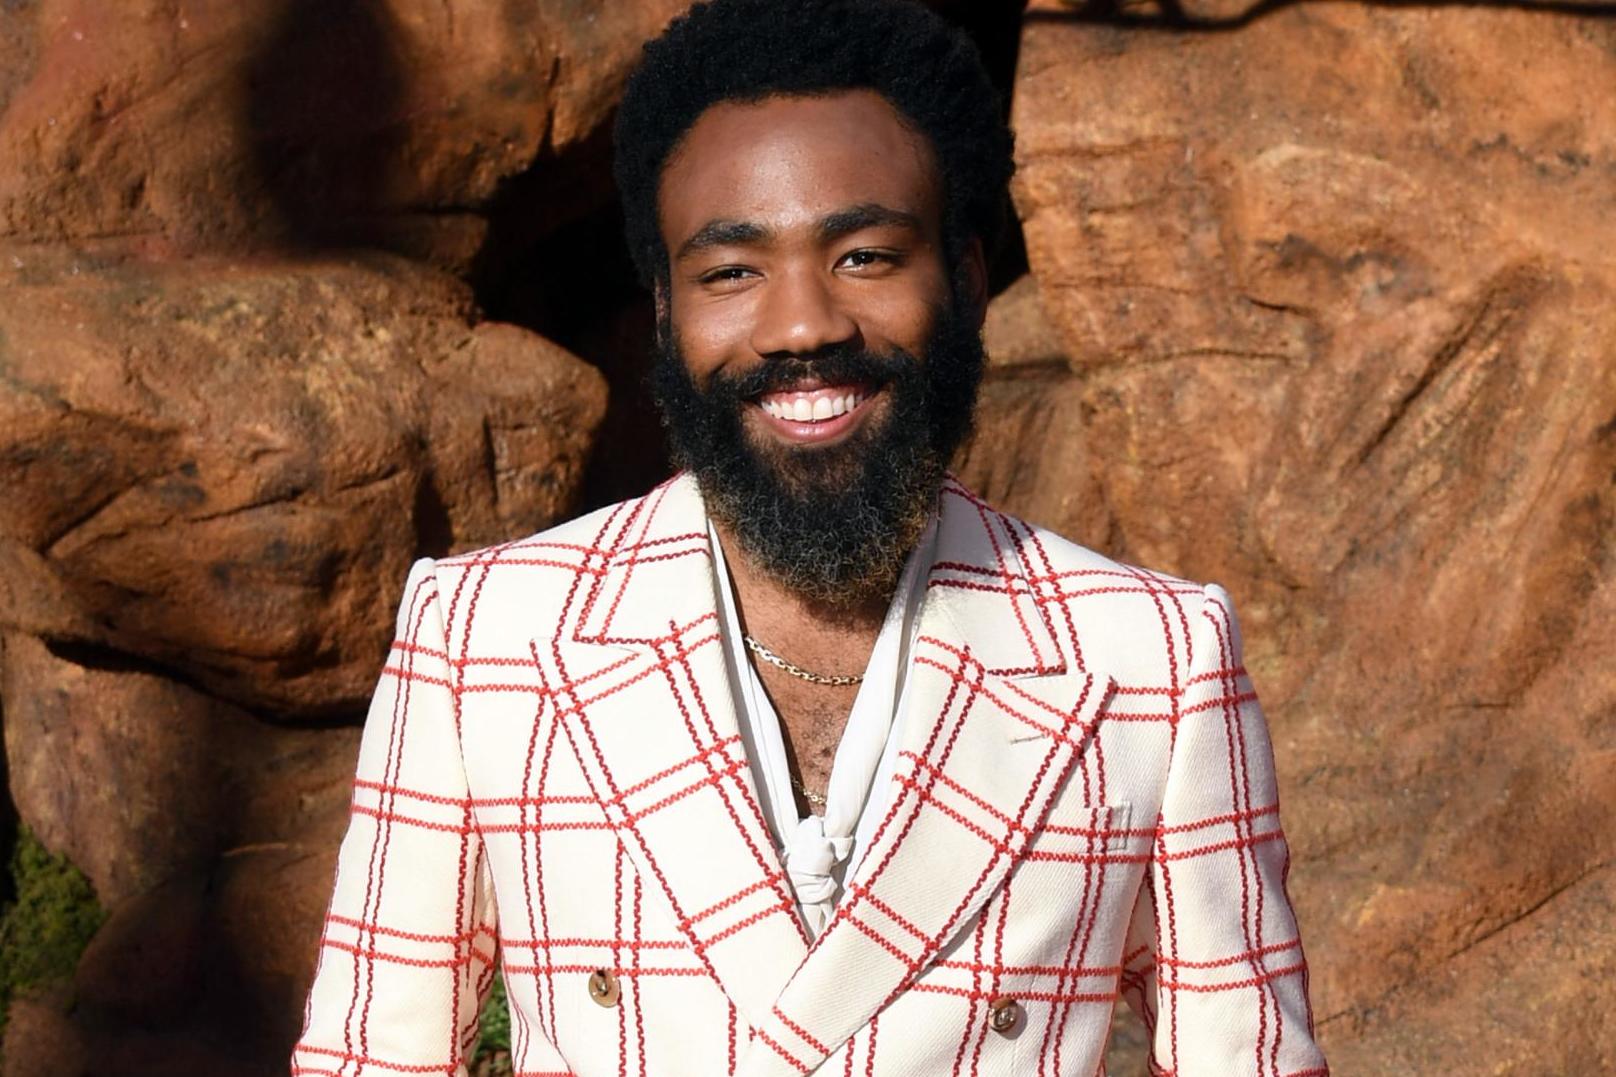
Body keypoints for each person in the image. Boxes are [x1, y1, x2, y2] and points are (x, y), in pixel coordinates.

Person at [292, 1, 1328, 1074]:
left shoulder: (1151, 657)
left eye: (865, 256)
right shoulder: (486, 637)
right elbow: (371, 1057)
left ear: (964, 282)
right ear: (662, 310)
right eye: (731, 271)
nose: (802, 325)